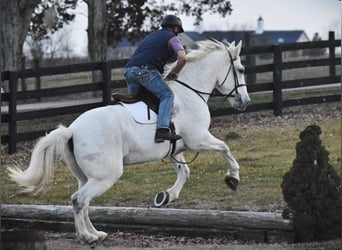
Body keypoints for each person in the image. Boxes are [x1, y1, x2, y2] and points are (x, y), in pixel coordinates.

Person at [124, 15, 187, 143]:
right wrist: (175, 72)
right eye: (178, 31)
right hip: (145, 71)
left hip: (129, 71)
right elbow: (183, 57)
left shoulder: (152, 36)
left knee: (141, 102)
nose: (178, 34)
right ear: (175, 28)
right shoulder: (172, 38)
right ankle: (162, 131)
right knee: (167, 95)